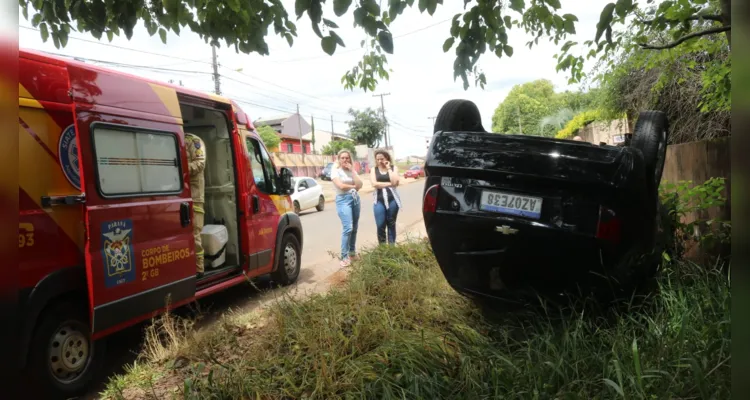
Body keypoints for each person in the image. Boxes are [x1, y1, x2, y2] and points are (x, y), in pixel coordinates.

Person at [331, 149, 363, 267]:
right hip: (343, 200)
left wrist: (353, 170)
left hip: (355, 199)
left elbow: (361, 184)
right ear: (339, 159)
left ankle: (352, 253)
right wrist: (354, 186)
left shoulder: (351, 171)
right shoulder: (335, 171)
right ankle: (344, 257)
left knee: (354, 227)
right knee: (348, 227)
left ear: (350, 159)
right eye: (342, 158)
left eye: (347, 157)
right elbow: (341, 186)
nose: (345, 160)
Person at [185, 132, 207, 277]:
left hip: (194, 194)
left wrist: (179, 167)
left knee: (195, 231)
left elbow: (199, 164)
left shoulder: (194, 140)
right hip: (177, 192)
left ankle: (199, 268)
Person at [370, 149, 401, 245]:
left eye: (382, 159)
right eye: (378, 159)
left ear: (387, 158)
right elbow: (374, 184)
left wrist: (388, 168)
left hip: (392, 199)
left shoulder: (393, 168)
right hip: (379, 200)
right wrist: (389, 184)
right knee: (380, 225)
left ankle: (392, 248)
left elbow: (395, 182)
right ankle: (382, 248)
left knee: (391, 224)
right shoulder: (373, 169)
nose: (380, 161)